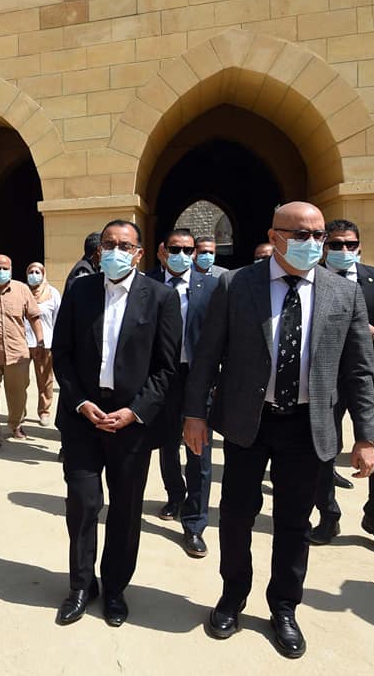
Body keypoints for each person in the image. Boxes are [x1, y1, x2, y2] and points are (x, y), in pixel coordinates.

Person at [183, 201, 374, 659]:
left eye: (318, 235)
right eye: (301, 235)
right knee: (236, 515)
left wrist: (366, 436)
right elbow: (208, 354)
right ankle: (232, 597)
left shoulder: (343, 292)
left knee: (293, 522)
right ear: (275, 238)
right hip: (247, 421)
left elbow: (359, 370)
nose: (313, 243)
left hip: (308, 425)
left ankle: (284, 607)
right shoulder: (236, 284)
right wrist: (194, 414)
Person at [52, 219, 182, 628]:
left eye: (125, 245)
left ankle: (115, 588)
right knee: (83, 503)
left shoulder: (160, 297)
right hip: (83, 418)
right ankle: (81, 585)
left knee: (125, 510)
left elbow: (166, 367)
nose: (115, 251)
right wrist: (80, 402)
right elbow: (62, 354)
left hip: (131, 424)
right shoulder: (80, 292)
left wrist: (135, 411)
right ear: (98, 251)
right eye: (109, 244)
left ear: (139, 253)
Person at [310, 220, 374, 556]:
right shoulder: (310, 279)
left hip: (371, 378)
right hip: (323, 380)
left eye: (350, 244)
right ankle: (328, 515)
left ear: (359, 246)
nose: (344, 250)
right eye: (336, 244)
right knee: (322, 451)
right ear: (324, 247)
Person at [146, 228, 219, 558]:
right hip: (162, 377)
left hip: (197, 377)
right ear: (163, 251)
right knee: (167, 443)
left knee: (199, 450)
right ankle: (175, 495)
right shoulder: (147, 283)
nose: (182, 255)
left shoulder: (211, 287)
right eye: (175, 249)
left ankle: (195, 523)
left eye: (188, 250)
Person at [0, 254, 44, 454]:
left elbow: (34, 317)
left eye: (5, 268)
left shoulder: (22, 289)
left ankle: (15, 424)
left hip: (17, 354)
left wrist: (40, 341)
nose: (1, 272)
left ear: (11, 269)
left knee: (18, 396)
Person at [25, 262, 61, 426]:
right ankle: (20, 412)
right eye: (31, 272)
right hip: (23, 343)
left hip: (45, 343)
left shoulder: (52, 293)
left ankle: (44, 411)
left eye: (37, 272)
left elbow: (58, 319)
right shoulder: (22, 291)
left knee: (45, 380)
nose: (34, 275)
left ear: (43, 273)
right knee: (20, 380)